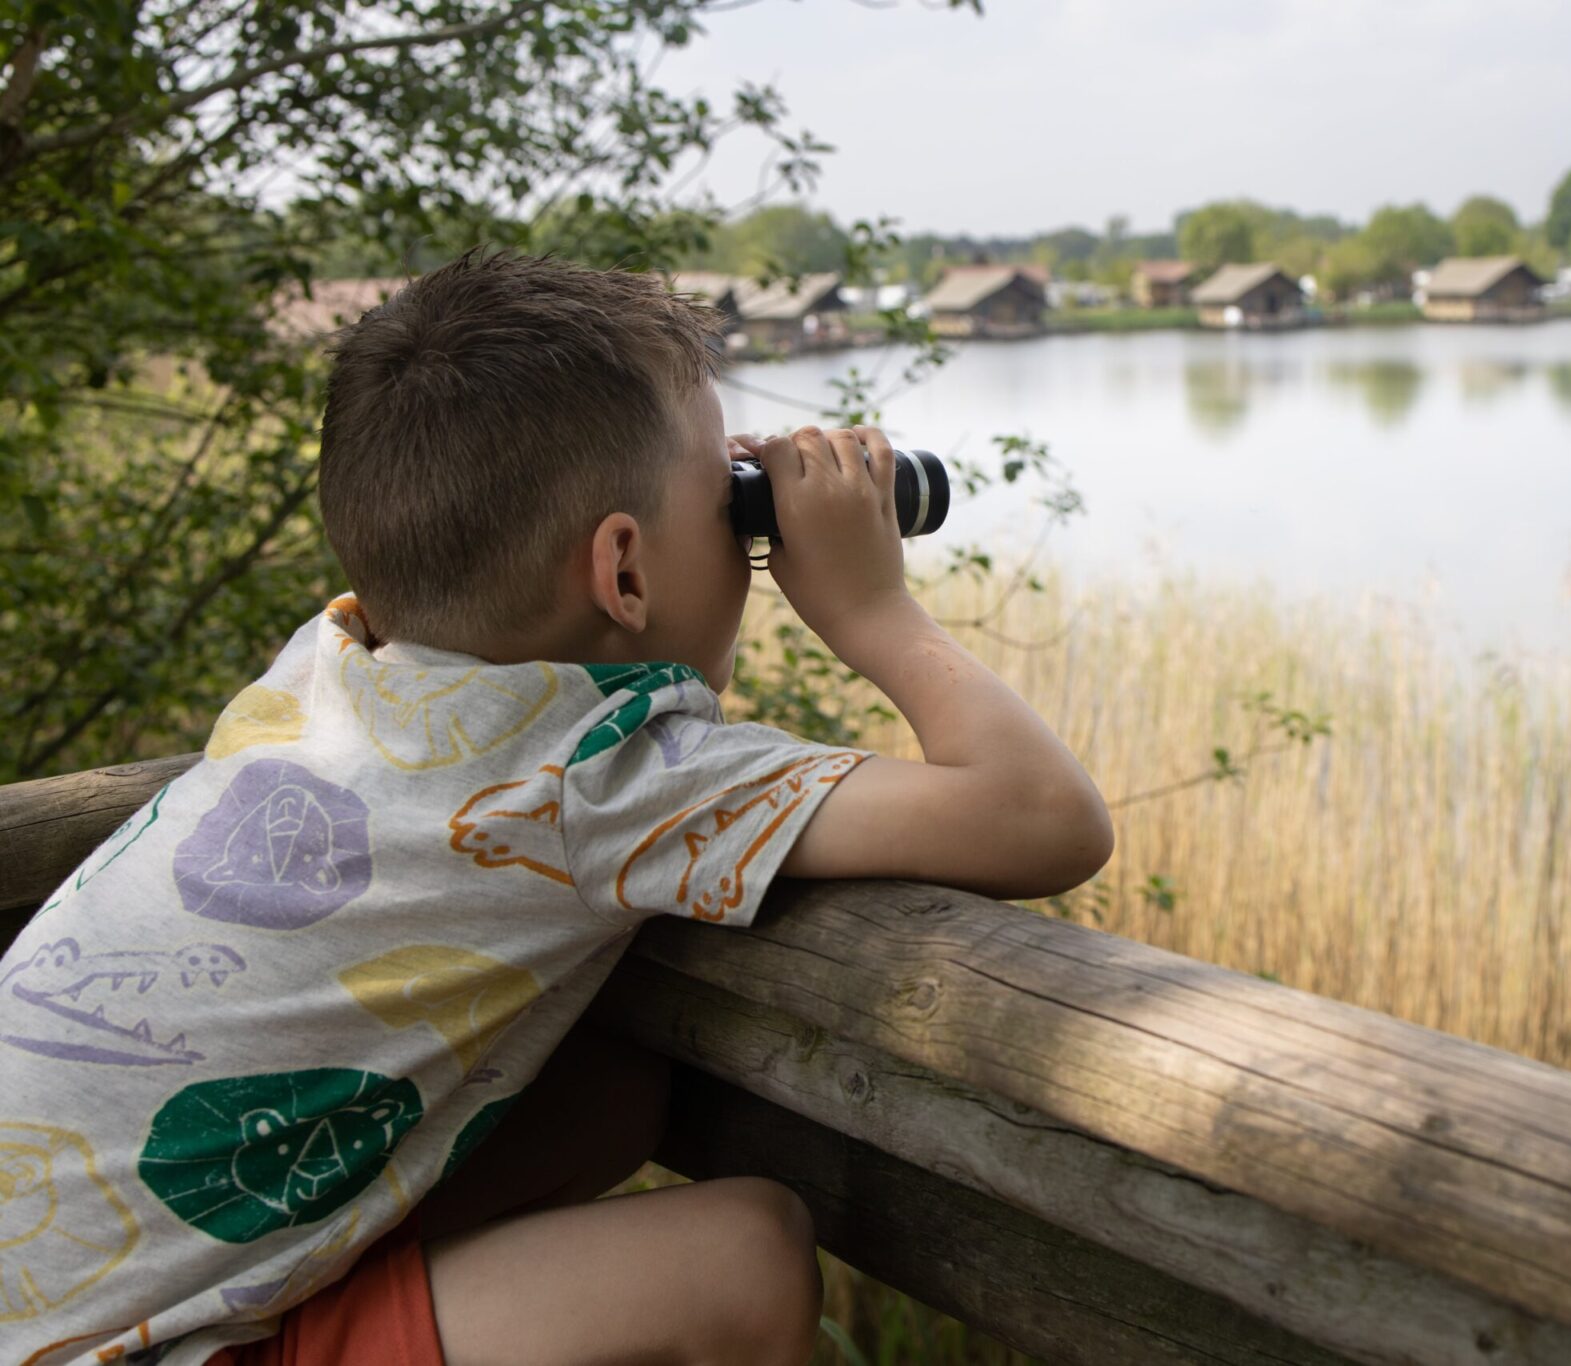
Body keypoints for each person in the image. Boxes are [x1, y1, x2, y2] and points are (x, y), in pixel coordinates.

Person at [1, 250, 1113, 1366]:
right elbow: (1040, 817)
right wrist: (871, 605)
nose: (752, 517)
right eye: (730, 498)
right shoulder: (590, 770)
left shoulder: (330, 664)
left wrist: (695, 492)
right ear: (623, 572)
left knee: (606, 1101)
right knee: (744, 1256)